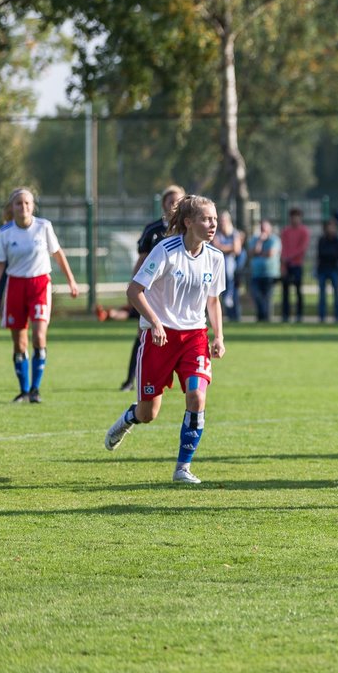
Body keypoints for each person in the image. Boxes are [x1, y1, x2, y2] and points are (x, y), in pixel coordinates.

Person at [102, 195, 225, 484]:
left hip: (195, 336)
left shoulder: (215, 257)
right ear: (188, 222)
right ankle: (129, 418)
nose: (213, 224)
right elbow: (134, 291)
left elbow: (214, 300)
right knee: (148, 413)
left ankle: (183, 468)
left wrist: (218, 335)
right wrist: (155, 322)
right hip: (159, 338)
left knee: (196, 396)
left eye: (215, 219)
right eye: (206, 219)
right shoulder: (165, 251)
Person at [0, 187, 80, 403]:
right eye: (18, 203)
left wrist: (71, 280)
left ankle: (35, 390)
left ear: (33, 206)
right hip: (15, 286)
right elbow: (0, 263)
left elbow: (57, 253)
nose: (23, 207)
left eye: (27, 203)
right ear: (12, 208)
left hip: (39, 284)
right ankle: (23, 391)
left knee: (39, 336)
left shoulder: (44, 227)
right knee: (19, 343)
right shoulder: (5, 232)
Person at [120, 185, 185, 390]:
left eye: (178, 201)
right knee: (143, 332)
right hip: (151, 289)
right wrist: (133, 287)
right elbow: (142, 259)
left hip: (175, 291)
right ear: (164, 203)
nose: (174, 205)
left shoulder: (188, 230)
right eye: (170, 201)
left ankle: (171, 377)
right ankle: (132, 379)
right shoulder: (153, 229)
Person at [211, 211, 245, 323]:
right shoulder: (216, 234)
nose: (222, 223)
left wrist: (223, 248)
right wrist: (229, 248)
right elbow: (217, 247)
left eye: (224, 221)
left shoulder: (234, 233)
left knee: (228, 263)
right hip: (218, 267)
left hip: (233, 269)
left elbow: (237, 249)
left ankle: (234, 312)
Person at [279, 207, 309, 323]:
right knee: (285, 291)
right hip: (287, 264)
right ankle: (285, 315)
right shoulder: (286, 231)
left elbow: (302, 248)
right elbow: (283, 247)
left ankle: (299, 314)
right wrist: (283, 263)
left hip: (297, 264)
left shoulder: (304, 231)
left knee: (298, 291)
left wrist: (290, 257)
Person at [249, 219, 281, 322]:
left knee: (267, 297)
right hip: (256, 274)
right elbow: (252, 252)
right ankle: (260, 317)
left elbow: (271, 253)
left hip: (269, 274)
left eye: (265, 227)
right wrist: (260, 242)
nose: (263, 230)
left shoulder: (274, 240)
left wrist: (259, 253)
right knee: (257, 296)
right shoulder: (255, 239)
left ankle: (266, 318)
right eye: (261, 227)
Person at [316, 218, 338, 323]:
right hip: (323, 269)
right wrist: (329, 255)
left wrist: (329, 255)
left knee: (337, 295)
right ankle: (322, 317)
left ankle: (337, 317)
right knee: (322, 295)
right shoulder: (322, 240)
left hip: (334, 269)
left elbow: (337, 255)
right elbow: (321, 254)